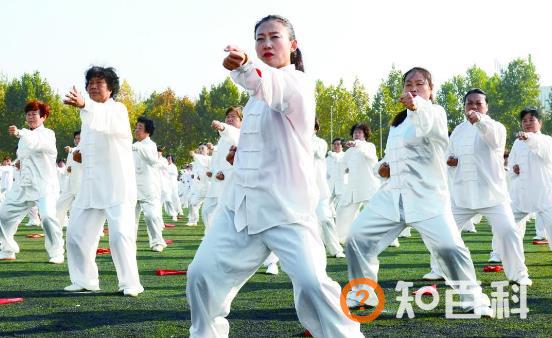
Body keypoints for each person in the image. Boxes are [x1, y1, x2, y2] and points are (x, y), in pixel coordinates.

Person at [186, 15, 363, 338]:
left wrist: (243, 65)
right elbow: (263, 135)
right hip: (241, 207)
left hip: (286, 209)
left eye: (274, 37)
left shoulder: (297, 84)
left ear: (293, 46)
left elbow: (269, 85)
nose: (266, 44)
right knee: (200, 275)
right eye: (260, 39)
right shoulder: (254, 99)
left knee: (312, 283)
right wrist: (240, 155)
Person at [345, 68, 492, 316]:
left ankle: (474, 299)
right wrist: (382, 167)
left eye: (420, 84)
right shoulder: (397, 123)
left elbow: (430, 131)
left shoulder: (435, 113)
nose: (412, 88)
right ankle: (363, 293)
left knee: (449, 248)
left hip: (427, 198)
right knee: (356, 239)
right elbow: (390, 158)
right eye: (408, 84)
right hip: (392, 197)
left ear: (430, 90)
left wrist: (416, 107)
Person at [435, 89, 530, 285]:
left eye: (479, 103)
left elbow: (494, 140)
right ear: (464, 107)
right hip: (462, 196)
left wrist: (479, 121)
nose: (474, 106)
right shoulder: (458, 131)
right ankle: (439, 270)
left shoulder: (496, 127)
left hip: (492, 195)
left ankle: (519, 274)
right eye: (470, 103)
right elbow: (448, 155)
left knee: (509, 232)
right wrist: (450, 161)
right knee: (443, 232)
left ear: (486, 107)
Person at [63, 66, 143, 296]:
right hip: (90, 186)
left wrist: (84, 105)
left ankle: (130, 284)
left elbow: (106, 122)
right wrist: (79, 153)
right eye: (90, 83)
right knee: (76, 233)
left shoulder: (117, 109)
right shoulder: (87, 114)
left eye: (99, 82)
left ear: (111, 88)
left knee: (120, 237)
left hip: (116, 185)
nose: (93, 87)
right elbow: (92, 141)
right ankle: (85, 280)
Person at [0, 100, 64, 263]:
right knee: (3, 216)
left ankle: (56, 252)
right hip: (23, 185)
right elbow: (25, 154)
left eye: (34, 114)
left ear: (43, 117)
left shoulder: (48, 134)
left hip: (44, 186)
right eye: (28, 114)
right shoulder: (24, 137)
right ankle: (7, 248)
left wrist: (19, 132)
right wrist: (19, 162)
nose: (30, 117)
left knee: (48, 217)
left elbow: (36, 143)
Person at [509, 108, 552, 250]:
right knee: (507, 224)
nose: (527, 123)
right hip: (522, 193)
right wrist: (514, 169)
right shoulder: (517, 143)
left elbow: (543, 151)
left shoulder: (546, 140)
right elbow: (511, 163)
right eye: (524, 121)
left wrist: (528, 138)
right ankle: (498, 254)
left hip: (544, 193)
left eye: (531, 120)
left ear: (540, 122)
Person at [335, 123, 381, 244]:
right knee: (342, 211)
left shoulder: (369, 146)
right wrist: (345, 168)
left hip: (368, 186)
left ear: (365, 134)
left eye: (359, 132)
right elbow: (343, 163)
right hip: (352, 188)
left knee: (376, 214)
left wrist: (357, 144)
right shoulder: (350, 151)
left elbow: (371, 157)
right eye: (355, 132)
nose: (356, 134)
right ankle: (340, 237)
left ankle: (386, 239)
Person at [202, 106, 242, 232]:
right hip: (217, 183)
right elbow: (218, 161)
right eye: (228, 116)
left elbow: (230, 132)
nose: (229, 119)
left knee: (231, 217)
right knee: (206, 211)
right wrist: (213, 173)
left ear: (242, 121)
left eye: (233, 116)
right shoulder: (222, 140)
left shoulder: (240, 134)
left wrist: (221, 126)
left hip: (232, 184)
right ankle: (209, 238)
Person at [133, 116, 166, 252]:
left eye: (140, 127)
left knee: (151, 216)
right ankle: (129, 244)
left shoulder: (150, 146)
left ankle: (157, 242)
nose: (136, 130)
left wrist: (135, 147)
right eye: (136, 127)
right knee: (130, 220)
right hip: (132, 188)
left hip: (148, 188)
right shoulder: (134, 146)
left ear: (148, 132)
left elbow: (152, 160)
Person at [313, 120, 345, 257]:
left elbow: (318, 153)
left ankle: (336, 249)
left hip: (318, 190)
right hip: (299, 190)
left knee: (326, 219)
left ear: (316, 128)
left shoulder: (321, 142)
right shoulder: (293, 139)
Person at [56, 131, 82, 228]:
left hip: (82, 185)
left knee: (84, 209)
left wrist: (71, 150)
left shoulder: (88, 150)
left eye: (80, 138)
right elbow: (67, 170)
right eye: (76, 138)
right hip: (71, 183)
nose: (78, 140)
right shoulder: (72, 151)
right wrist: (68, 169)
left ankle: (96, 231)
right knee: (60, 205)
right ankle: (57, 226)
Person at [186, 144, 211, 226]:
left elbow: (203, 161)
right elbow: (195, 171)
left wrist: (194, 155)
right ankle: (193, 221)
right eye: (199, 148)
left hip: (210, 187)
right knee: (193, 203)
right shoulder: (197, 161)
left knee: (211, 208)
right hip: (200, 188)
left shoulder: (210, 159)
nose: (200, 150)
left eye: (203, 148)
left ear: (208, 150)